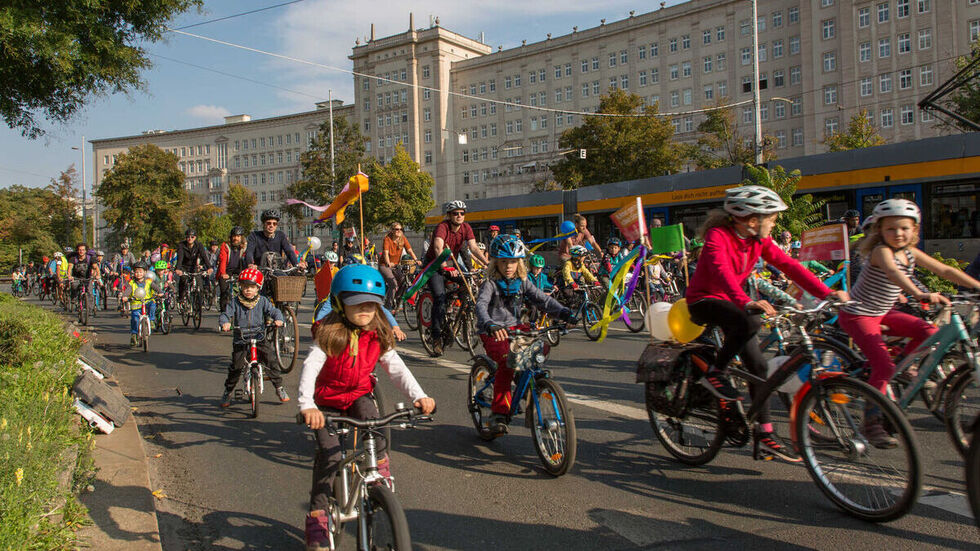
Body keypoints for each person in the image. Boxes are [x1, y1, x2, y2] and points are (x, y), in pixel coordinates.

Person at [685, 185, 848, 462]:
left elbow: (790, 266)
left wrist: (827, 294)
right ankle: (715, 371)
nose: (774, 224)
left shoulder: (759, 241)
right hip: (705, 300)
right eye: (771, 219)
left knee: (759, 367)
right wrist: (746, 301)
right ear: (752, 220)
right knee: (751, 320)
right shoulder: (718, 235)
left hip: (735, 304)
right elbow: (721, 271)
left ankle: (765, 435)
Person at [298, 264, 435, 548]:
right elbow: (311, 367)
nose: (365, 309)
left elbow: (395, 367)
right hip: (327, 402)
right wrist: (307, 405)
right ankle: (318, 517)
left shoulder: (377, 334)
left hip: (358, 394)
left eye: (372, 305)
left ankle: (379, 470)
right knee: (330, 457)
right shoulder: (329, 333)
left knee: (375, 422)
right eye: (356, 303)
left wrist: (419, 396)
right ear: (339, 304)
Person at [838, 199, 980, 446]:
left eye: (904, 228)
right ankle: (871, 423)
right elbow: (893, 272)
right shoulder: (881, 251)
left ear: (914, 229)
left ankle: (901, 365)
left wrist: (977, 286)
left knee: (929, 332)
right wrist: (919, 294)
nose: (898, 234)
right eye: (891, 229)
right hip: (858, 314)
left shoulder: (910, 252)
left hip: (883, 312)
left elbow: (945, 271)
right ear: (880, 230)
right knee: (883, 367)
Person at [475, 235, 573, 435]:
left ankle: (527, 384)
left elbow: (542, 300)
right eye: (503, 261)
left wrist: (563, 312)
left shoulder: (523, 282)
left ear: (519, 262)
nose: (508, 266)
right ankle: (499, 413)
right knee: (506, 363)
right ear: (495, 262)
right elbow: (481, 306)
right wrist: (490, 324)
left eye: (513, 261)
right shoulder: (490, 284)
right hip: (493, 331)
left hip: (516, 328)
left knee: (541, 348)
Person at [424, 200, 490, 356]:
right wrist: (444, 266)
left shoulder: (466, 228)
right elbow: (438, 247)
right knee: (439, 298)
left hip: (452, 265)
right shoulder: (442, 227)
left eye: (462, 213)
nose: (459, 216)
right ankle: (436, 337)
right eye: (455, 213)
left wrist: (489, 265)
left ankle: (457, 315)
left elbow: (473, 248)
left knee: (468, 285)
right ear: (449, 215)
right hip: (435, 265)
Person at [219, 268, 289, 405]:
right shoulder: (235, 302)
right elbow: (226, 314)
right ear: (240, 287)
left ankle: (279, 387)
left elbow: (273, 311)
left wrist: (278, 319)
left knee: (271, 361)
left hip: (259, 337)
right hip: (241, 339)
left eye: (252, 287)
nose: (248, 290)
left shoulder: (262, 301)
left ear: (258, 288)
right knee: (236, 367)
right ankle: (228, 391)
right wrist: (225, 322)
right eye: (245, 286)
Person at [380, 222, 420, 309]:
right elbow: (385, 253)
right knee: (393, 284)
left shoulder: (403, 238)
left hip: (396, 265)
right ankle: (388, 306)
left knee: (403, 280)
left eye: (401, 229)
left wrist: (416, 260)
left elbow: (409, 250)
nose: (399, 231)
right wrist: (388, 263)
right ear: (392, 230)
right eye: (397, 229)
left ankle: (397, 299)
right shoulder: (387, 239)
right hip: (385, 265)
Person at [121, 262, 162, 347]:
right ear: (134, 273)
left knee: (153, 305)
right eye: (136, 272)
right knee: (135, 319)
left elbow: (156, 288)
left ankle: (151, 320)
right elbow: (128, 290)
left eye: (140, 272)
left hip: (147, 302)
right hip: (136, 304)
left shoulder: (149, 282)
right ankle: (134, 335)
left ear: (145, 272)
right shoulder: (131, 283)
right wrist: (125, 296)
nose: (138, 274)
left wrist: (160, 292)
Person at [175, 229, 212, 303]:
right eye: (188, 237)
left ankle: (199, 302)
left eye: (192, 237)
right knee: (183, 279)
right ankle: (181, 297)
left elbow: (204, 256)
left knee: (199, 284)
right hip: (184, 266)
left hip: (194, 267)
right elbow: (180, 258)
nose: (190, 238)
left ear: (195, 238)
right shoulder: (181, 245)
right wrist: (178, 269)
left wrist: (209, 267)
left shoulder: (199, 245)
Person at [218, 226, 248, 312]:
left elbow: (247, 259)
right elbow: (223, 260)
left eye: (238, 236)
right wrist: (223, 273)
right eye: (234, 236)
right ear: (231, 237)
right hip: (226, 271)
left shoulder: (244, 246)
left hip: (239, 271)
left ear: (241, 237)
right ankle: (224, 313)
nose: (236, 238)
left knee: (243, 291)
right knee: (224, 291)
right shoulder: (225, 246)